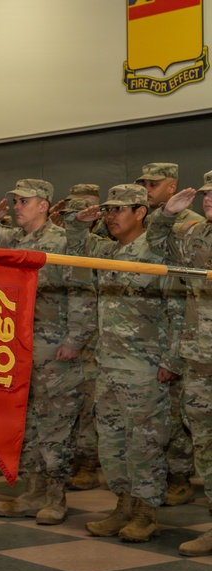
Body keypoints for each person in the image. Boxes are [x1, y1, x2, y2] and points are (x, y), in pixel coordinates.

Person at [0, 179, 95, 525]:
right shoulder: (15, 240)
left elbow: (81, 289)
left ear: (44, 205)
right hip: (16, 347)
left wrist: (75, 338)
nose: (16, 206)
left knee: (54, 423)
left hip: (53, 347)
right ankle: (33, 490)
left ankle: (56, 496)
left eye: (24, 201)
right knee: (24, 422)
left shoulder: (61, 242)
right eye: (14, 200)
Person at [67, 184, 182, 542]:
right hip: (109, 366)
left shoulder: (157, 249)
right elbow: (74, 250)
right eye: (108, 210)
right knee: (112, 443)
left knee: (144, 443)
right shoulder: (105, 249)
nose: (111, 216)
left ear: (140, 212)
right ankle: (123, 505)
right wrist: (76, 223)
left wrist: (171, 359)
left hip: (145, 367)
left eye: (119, 209)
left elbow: (176, 309)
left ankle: (146, 513)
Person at [146, 169, 212, 555]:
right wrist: (167, 215)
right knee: (204, 445)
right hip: (201, 358)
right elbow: (156, 248)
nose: (207, 199)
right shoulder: (196, 237)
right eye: (206, 193)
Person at [135, 162, 198, 507]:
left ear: (172, 186)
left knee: (184, 417)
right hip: (179, 332)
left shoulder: (193, 225)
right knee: (182, 418)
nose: (148, 188)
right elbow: (158, 247)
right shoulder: (172, 223)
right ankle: (177, 475)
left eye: (154, 183)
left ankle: (180, 475)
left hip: (184, 328)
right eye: (145, 183)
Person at [57, 184, 104, 491]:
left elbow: (86, 293)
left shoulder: (100, 245)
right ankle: (76, 461)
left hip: (96, 338)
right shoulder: (68, 244)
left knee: (90, 406)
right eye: (69, 214)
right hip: (73, 334)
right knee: (72, 406)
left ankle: (88, 464)